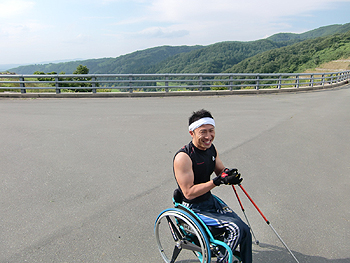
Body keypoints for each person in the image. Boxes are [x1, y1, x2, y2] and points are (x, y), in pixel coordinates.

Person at [173, 109, 252, 263]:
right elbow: (188, 193)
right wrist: (216, 181)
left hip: (209, 201)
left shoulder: (211, 149)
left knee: (244, 229)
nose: (208, 136)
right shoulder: (184, 157)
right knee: (235, 229)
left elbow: (220, 170)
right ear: (192, 133)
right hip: (192, 207)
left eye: (211, 131)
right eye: (203, 132)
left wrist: (229, 175)